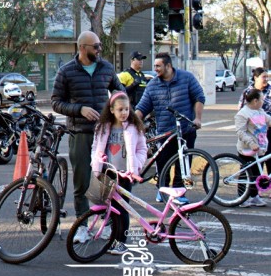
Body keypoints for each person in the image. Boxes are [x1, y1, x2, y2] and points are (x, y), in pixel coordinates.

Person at [51, 31, 125, 242]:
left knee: (107, 181)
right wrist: (79, 109)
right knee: (82, 181)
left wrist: (120, 109)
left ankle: (107, 223)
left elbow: (119, 92)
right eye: (96, 46)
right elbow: (56, 102)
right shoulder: (66, 72)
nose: (99, 50)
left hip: (106, 133)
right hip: (80, 133)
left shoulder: (107, 68)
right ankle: (82, 226)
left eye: (100, 46)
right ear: (82, 48)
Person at [135, 52, 205, 204]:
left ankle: (179, 193)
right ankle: (162, 190)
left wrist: (197, 118)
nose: (155, 69)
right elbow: (142, 107)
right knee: (163, 162)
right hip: (165, 131)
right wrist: (130, 123)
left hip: (186, 129)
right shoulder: (153, 85)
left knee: (183, 161)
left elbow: (199, 97)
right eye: (154, 66)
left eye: (158, 66)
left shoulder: (186, 78)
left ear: (168, 66)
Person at [91, 91, 147, 254]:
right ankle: (111, 236)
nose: (124, 113)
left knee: (122, 209)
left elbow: (142, 149)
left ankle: (120, 241)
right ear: (112, 110)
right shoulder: (102, 127)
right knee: (105, 206)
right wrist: (96, 162)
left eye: (127, 109)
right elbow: (95, 147)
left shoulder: (134, 127)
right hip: (106, 172)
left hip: (125, 175)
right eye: (120, 109)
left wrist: (136, 165)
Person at [235, 88, 271, 207]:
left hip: (260, 148)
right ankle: (241, 197)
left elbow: (269, 120)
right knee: (246, 173)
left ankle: (254, 196)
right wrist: (251, 143)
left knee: (257, 173)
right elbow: (240, 132)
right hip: (248, 149)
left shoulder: (260, 111)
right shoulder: (243, 113)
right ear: (255, 101)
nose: (263, 101)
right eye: (261, 99)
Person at [239, 67, 271, 176]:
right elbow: (241, 110)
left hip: (267, 130)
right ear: (255, 77)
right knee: (251, 165)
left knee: (268, 158)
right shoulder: (247, 92)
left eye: (267, 77)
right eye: (264, 77)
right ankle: (249, 192)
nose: (266, 79)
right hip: (252, 131)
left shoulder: (270, 90)